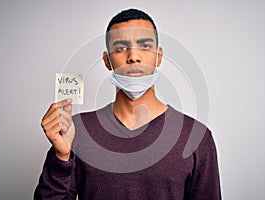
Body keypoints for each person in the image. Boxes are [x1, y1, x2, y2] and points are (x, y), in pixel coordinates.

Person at [34, 8, 221, 200]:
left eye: (145, 46)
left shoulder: (196, 137)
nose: (133, 57)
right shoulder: (77, 130)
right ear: (107, 61)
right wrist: (61, 157)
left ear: (159, 57)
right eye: (121, 48)